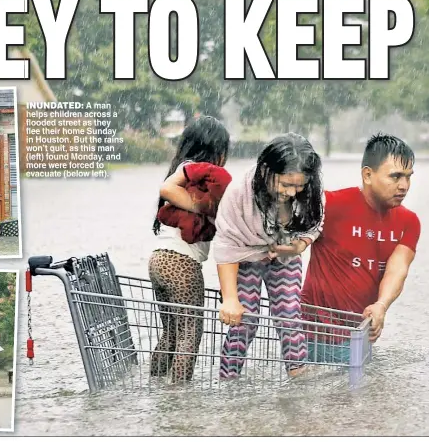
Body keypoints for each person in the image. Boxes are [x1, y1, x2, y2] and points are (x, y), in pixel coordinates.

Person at [213, 133, 324, 379]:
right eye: (285, 184)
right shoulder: (239, 193)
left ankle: (299, 375)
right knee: (245, 319)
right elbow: (226, 245)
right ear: (265, 170)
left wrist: (298, 246)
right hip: (244, 256)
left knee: (289, 313)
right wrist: (230, 299)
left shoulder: (310, 192)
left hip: (284, 255)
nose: (293, 192)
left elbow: (314, 224)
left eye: (299, 185)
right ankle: (228, 380)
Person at [302, 133, 420, 362]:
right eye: (395, 176)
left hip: (357, 336)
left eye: (408, 177)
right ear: (368, 174)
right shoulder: (329, 205)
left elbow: (398, 269)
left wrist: (381, 305)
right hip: (311, 333)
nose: (404, 185)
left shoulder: (409, 222)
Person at [149, 115, 231, 383]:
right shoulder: (195, 171)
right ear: (213, 150)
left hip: (159, 260)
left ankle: (157, 383)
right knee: (189, 333)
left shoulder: (183, 170)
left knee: (172, 332)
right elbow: (168, 191)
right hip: (182, 265)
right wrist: (201, 206)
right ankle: (179, 395)